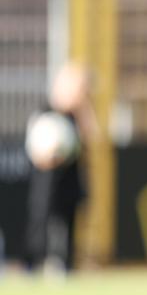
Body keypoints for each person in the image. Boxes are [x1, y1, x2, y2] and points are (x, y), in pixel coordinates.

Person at [23, 63, 98, 274]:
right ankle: (34, 261)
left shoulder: (76, 116)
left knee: (68, 217)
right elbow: (35, 148)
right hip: (47, 177)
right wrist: (48, 156)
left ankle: (64, 262)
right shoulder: (45, 113)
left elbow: (92, 137)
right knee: (42, 216)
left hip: (70, 175)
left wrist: (83, 107)